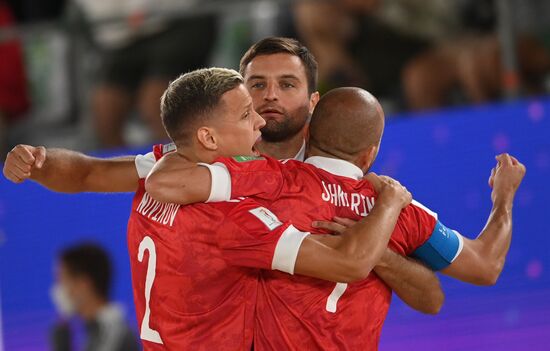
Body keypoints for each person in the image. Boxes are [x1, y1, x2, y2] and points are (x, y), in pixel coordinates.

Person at [144, 87, 526, 349]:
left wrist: (177, 151)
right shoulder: (399, 208)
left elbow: (171, 184)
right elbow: (485, 267)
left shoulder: (268, 179)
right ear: (370, 153)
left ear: (308, 133)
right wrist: (503, 198)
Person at [50, 243, 139, 351]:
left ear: (83, 284)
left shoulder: (114, 334)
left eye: (62, 280)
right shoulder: (93, 333)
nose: (58, 290)